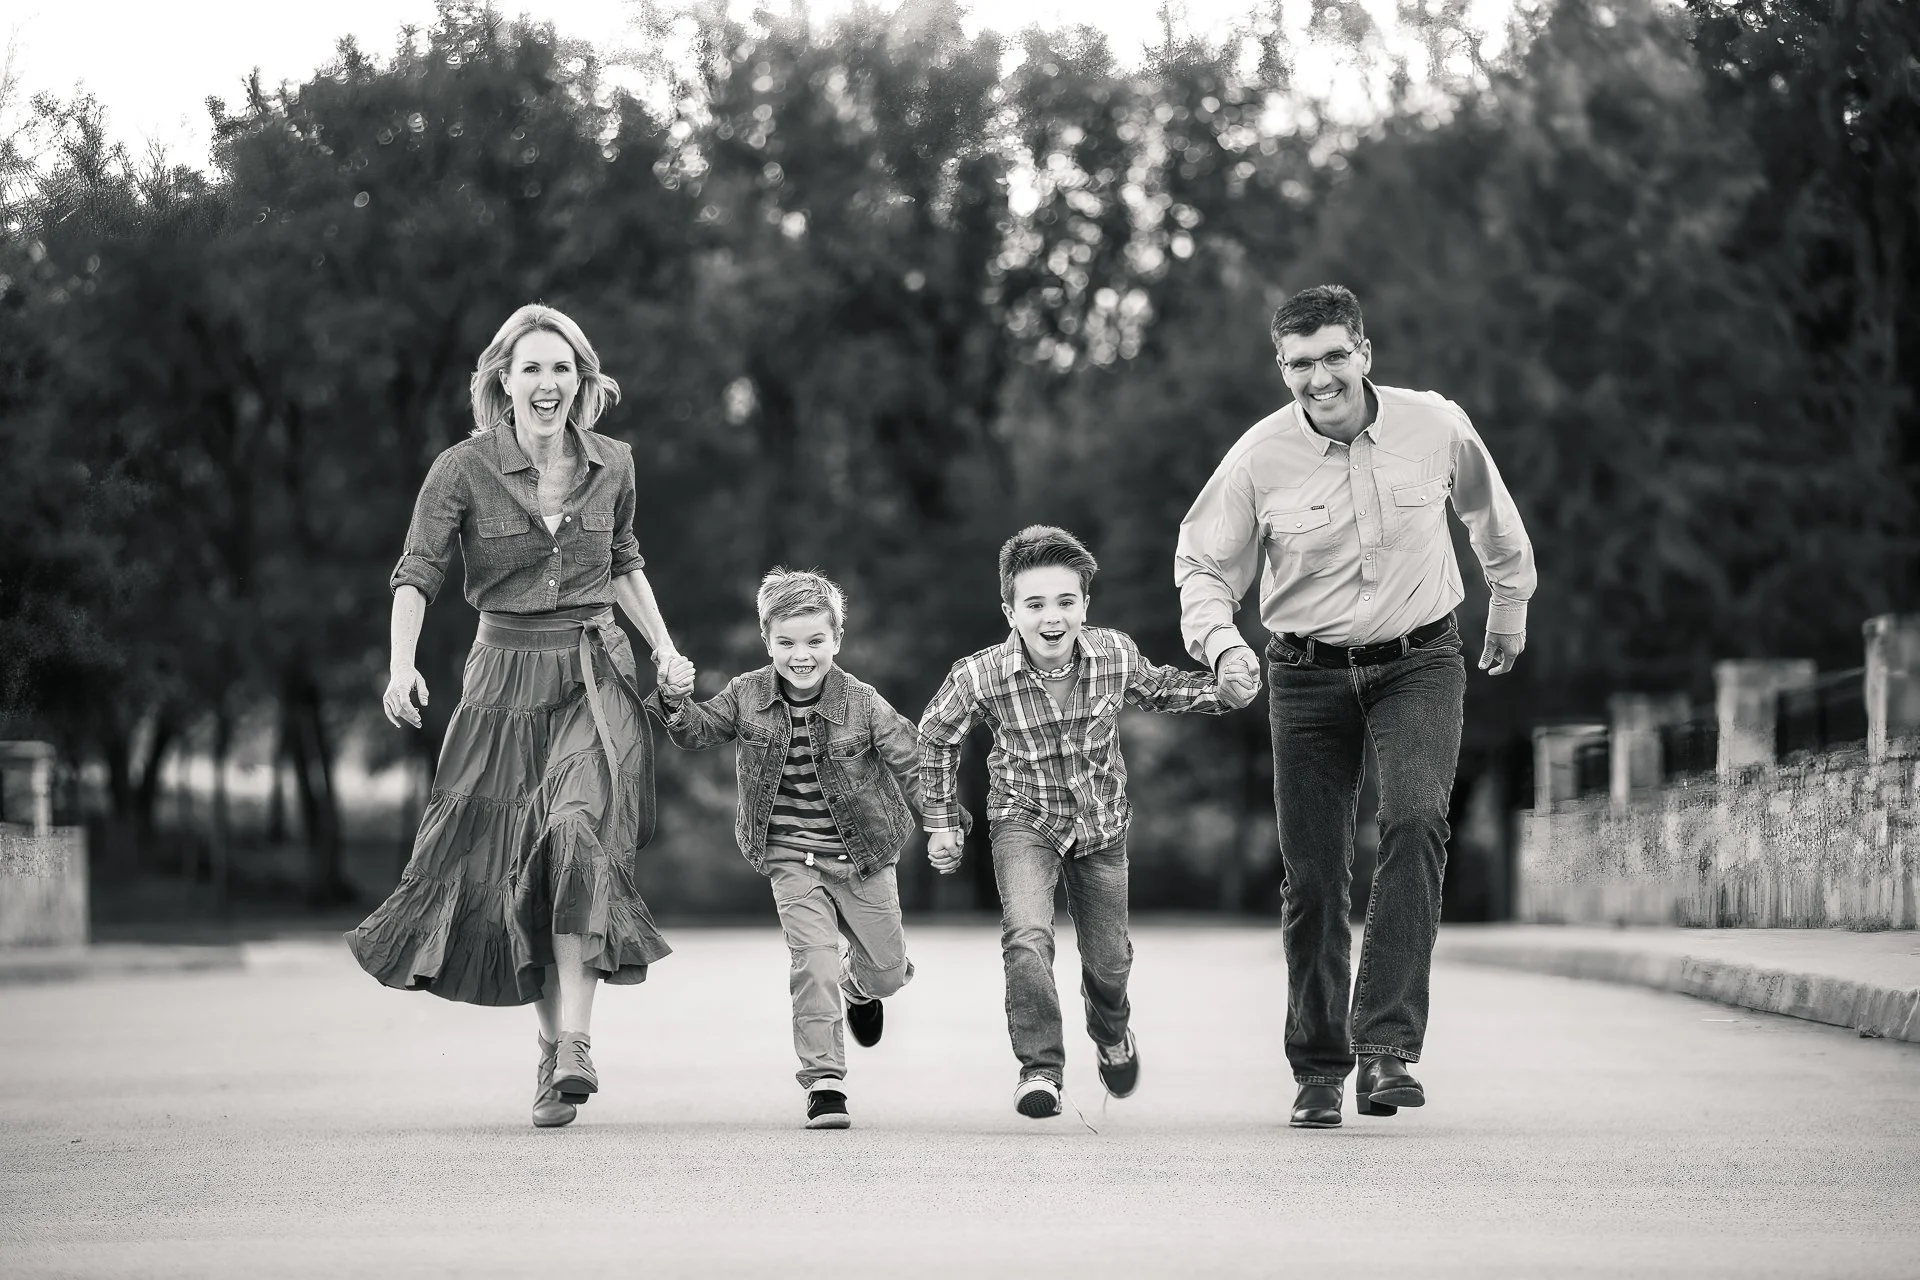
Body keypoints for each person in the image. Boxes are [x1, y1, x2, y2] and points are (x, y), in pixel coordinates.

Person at [1174, 284, 1536, 1128]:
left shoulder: (1435, 424)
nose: (1320, 377)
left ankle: (1386, 1049)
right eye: (1301, 364)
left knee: (1415, 820)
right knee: (1314, 874)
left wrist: (1509, 604)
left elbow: (1492, 517)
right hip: (1304, 674)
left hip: (1421, 656)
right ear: (1282, 368)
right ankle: (1318, 1068)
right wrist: (1222, 643)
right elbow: (1202, 564)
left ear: (1364, 352)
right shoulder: (1259, 456)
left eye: (1335, 356)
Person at [347, 302, 694, 1130]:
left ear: (583, 381)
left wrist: (664, 648)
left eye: (561, 368)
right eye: (531, 367)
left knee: (576, 833)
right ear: (503, 379)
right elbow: (416, 571)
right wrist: (400, 664)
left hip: (591, 675)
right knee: (519, 870)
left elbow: (622, 565)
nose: (547, 382)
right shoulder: (461, 468)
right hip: (501, 685)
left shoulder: (614, 465)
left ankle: (575, 1043)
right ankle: (550, 1053)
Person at [919, 525, 1229, 1120]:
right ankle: (1041, 1069)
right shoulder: (980, 676)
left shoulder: (1113, 655)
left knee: (1108, 959)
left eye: (1065, 601)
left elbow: (1161, 689)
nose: (1051, 617)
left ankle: (1111, 1031)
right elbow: (936, 735)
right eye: (1034, 604)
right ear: (1009, 611)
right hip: (1022, 818)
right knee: (1027, 938)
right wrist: (941, 822)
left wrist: (1223, 691)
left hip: (1101, 826)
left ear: (1085, 604)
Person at [647, 569, 947, 1130]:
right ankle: (825, 1083)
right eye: (786, 642)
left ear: (837, 638)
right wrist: (673, 697)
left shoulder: (863, 703)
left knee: (887, 971)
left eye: (815, 641)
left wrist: (941, 822)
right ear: (767, 641)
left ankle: (862, 990)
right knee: (813, 963)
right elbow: (696, 730)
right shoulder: (748, 695)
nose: (801, 656)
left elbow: (912, 760)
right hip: (790, 858)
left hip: (863, 856)